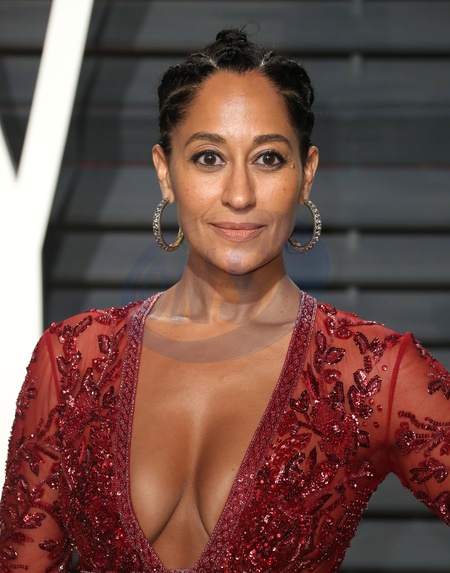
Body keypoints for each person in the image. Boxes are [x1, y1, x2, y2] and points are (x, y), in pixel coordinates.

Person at [0, 28, 449, 573]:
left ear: (306, 174)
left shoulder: (371, 371)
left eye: (268, 158)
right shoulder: (74, 359)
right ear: (166, 172)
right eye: (209, 158)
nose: (239, 194)